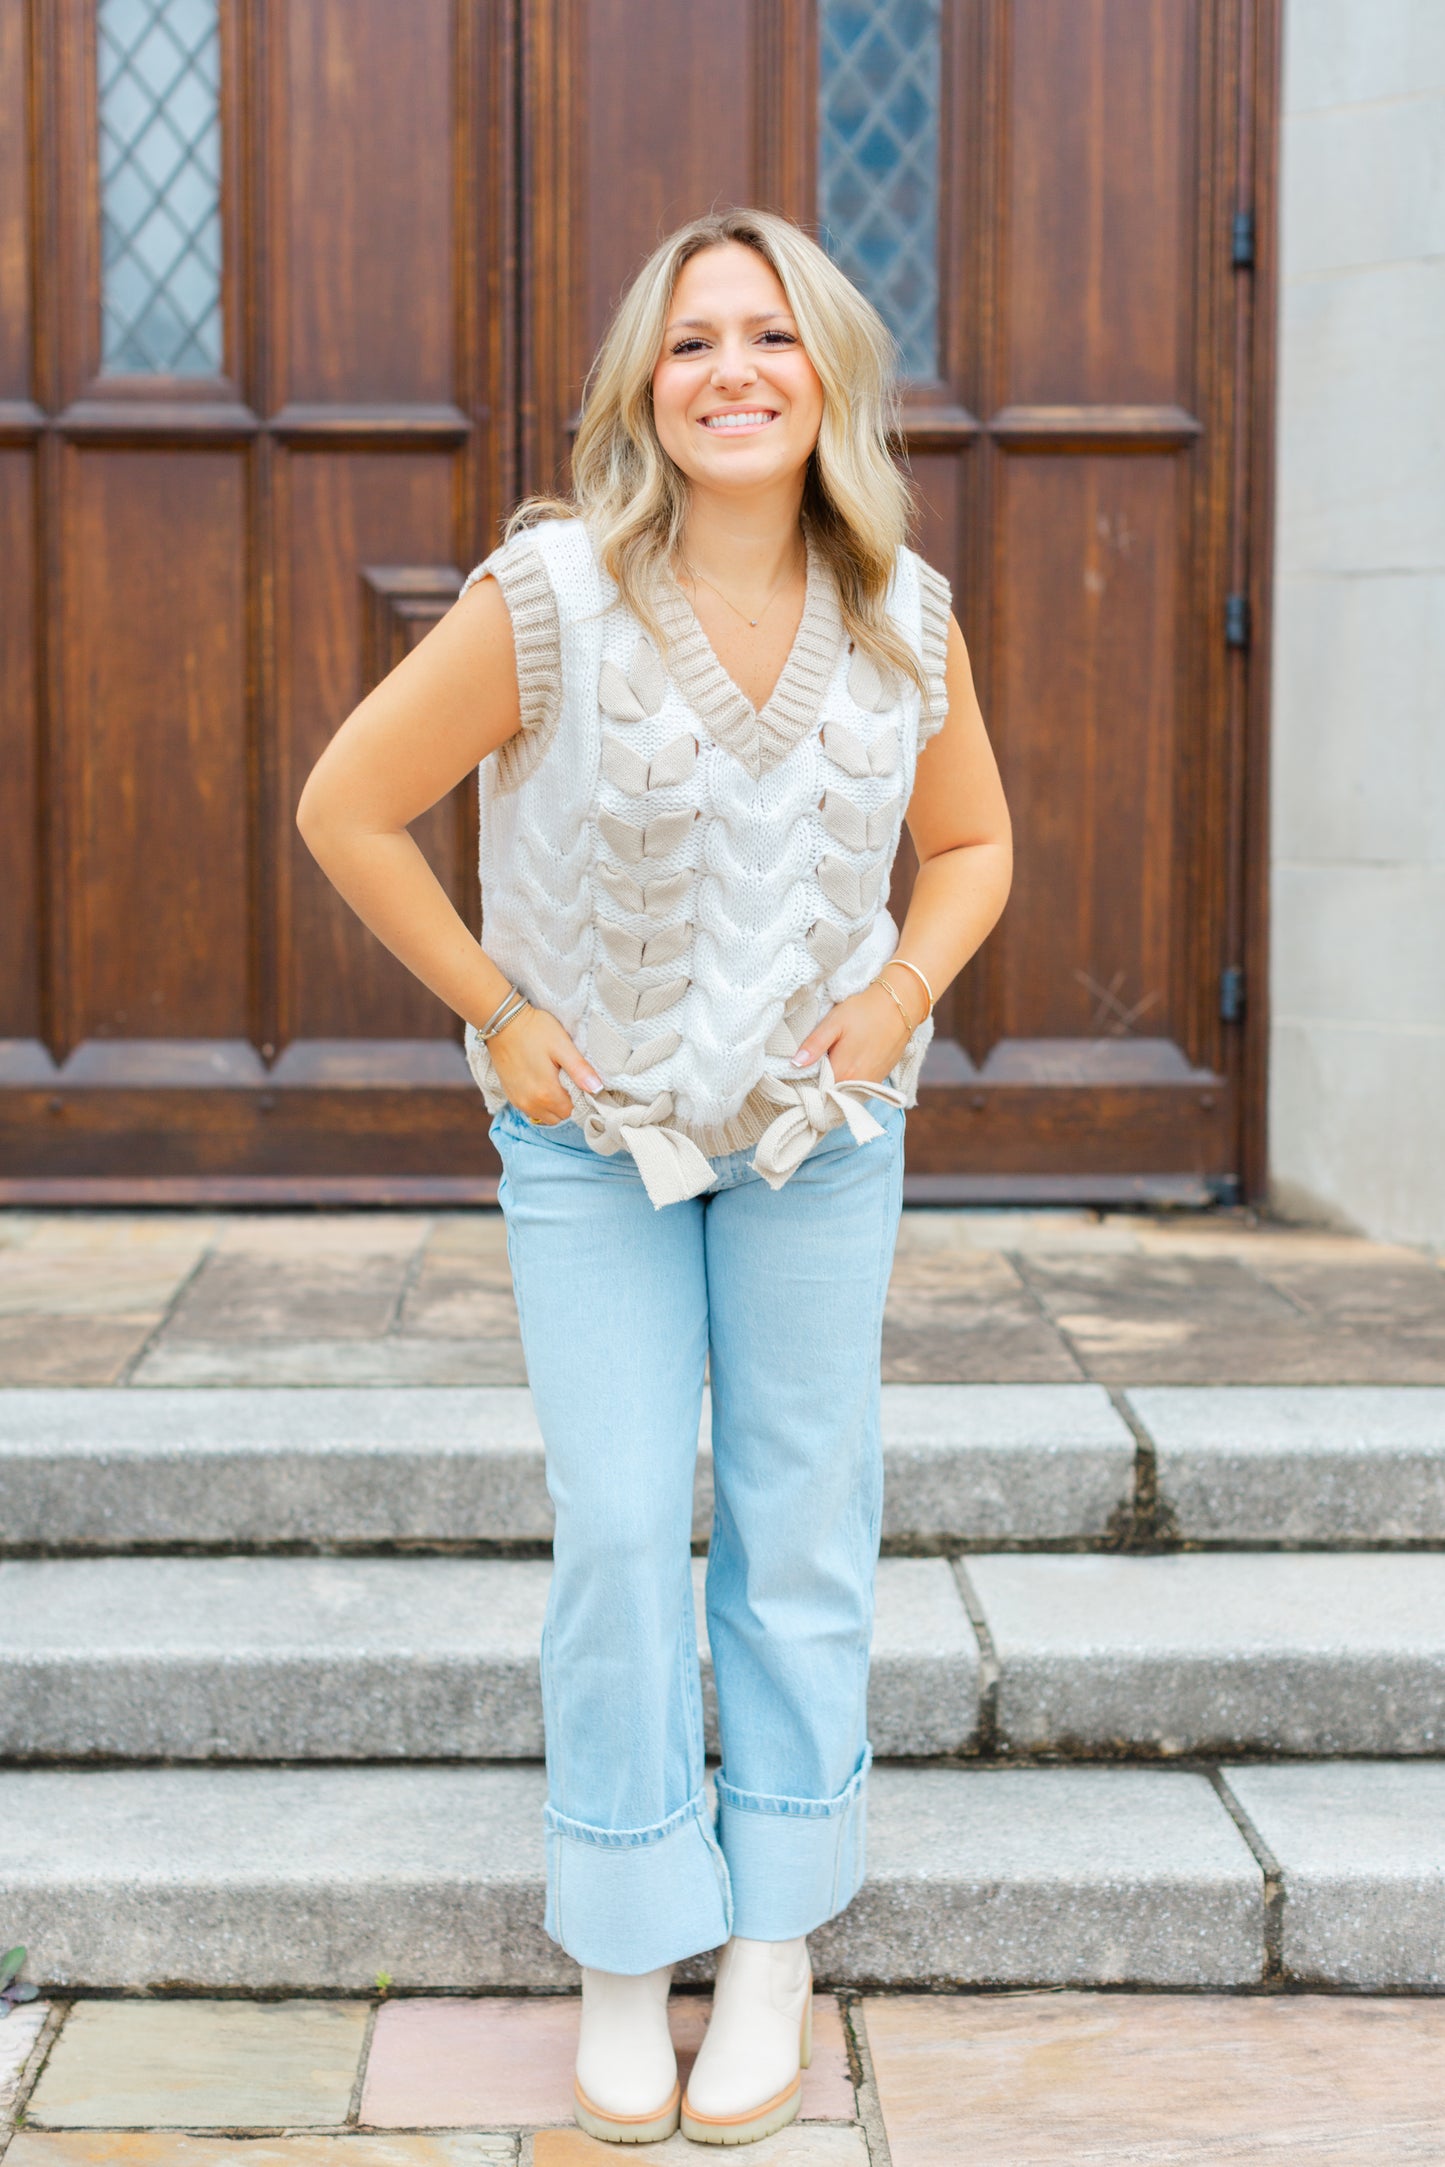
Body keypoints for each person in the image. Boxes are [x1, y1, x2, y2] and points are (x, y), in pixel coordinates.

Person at [297, 206, 1011, 2146]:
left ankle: (773, 1937)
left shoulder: (905, 615)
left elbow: (970, 851)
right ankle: (627, 1940)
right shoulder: (551, 598)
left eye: (770, 336)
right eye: (692, 340)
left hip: (812, 1148)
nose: (732, 371)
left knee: (798, 1523)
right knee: (622, 1526)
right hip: (592, 1146)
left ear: (829, 378)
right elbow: (348, 803)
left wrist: (904, 995)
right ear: (647, 383)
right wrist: (500, 1008)